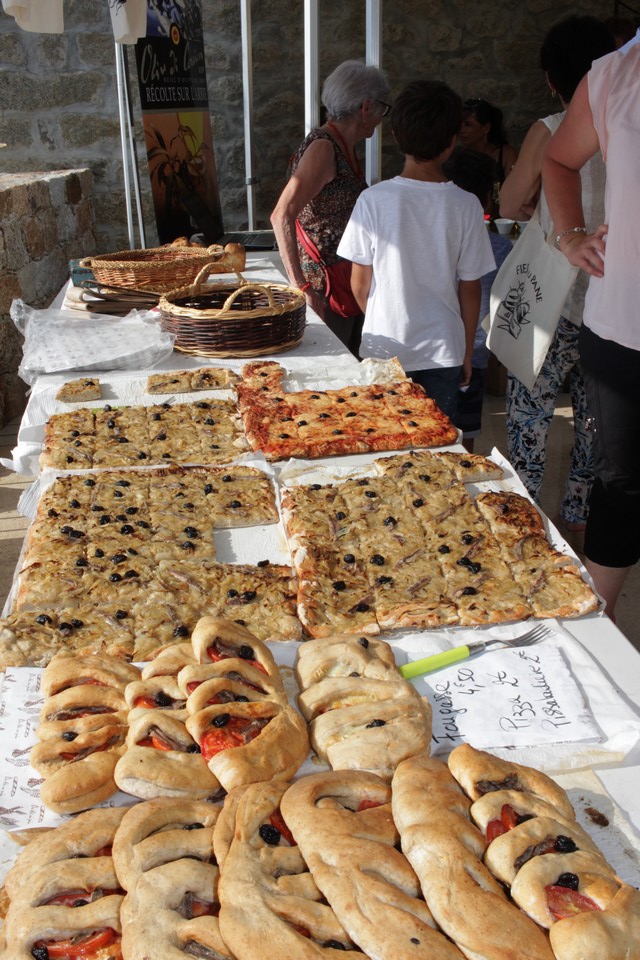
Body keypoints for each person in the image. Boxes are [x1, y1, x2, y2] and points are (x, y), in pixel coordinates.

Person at [498, 16, 615, 536]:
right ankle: (579, 517)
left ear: (551, 78)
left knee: (530, 415)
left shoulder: (548, 130)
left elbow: (509, 201)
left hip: (551, 296)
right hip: (610, 302)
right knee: (594, 419)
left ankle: (525, 522)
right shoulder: (625, 130)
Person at [542, 31, 640, 619]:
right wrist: (570, 234)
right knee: (620, 491)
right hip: (623, 329)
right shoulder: (614, 73)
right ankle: (599, 641)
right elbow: (559, 159)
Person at [337, 80, 495, 420]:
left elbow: (360, 286)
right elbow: (470, 289)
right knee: (437, 450)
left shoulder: (373, 200)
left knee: (385, 441)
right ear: (452, 141)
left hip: (385, 348)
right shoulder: (466, 205)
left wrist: (385, 314)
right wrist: (467, 350)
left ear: (395, 136)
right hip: (444, 351)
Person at [270, 59, 391, 355]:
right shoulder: (324, 148)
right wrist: (302, 287)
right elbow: (281, 214)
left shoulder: (343, 146)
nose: (381, 118)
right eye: (382, 109)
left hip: (340, 284)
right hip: (324, 291)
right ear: (366, 107)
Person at [442, 147, 512, 450]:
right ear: (486, 199)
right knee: (464, 437)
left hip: (434, 345)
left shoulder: (434, 239)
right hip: (476, 351)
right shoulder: (500, 247)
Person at [459, 98, 518, 186]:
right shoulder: (459, 157)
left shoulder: (506, 154)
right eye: (460, 124)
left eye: (468, 125)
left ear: (486, 128)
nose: (461, 130)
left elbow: (515, 187)